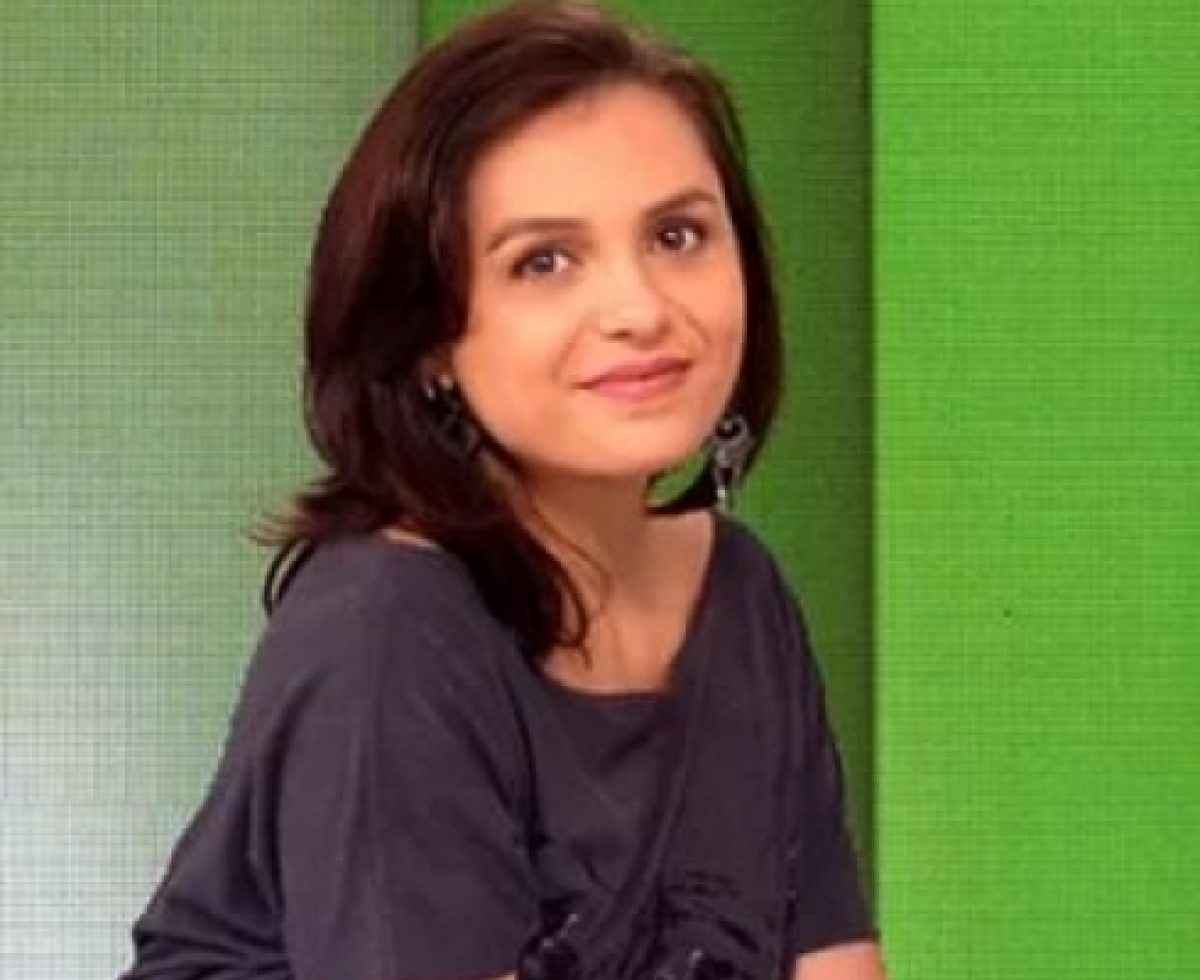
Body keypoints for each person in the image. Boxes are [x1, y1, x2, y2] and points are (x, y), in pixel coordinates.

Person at [118, 1, 886, 978]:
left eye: (679, 235)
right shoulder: (387, 629)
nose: (639, 309)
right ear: (431, 342)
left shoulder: (741, 593)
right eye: (544, 261)